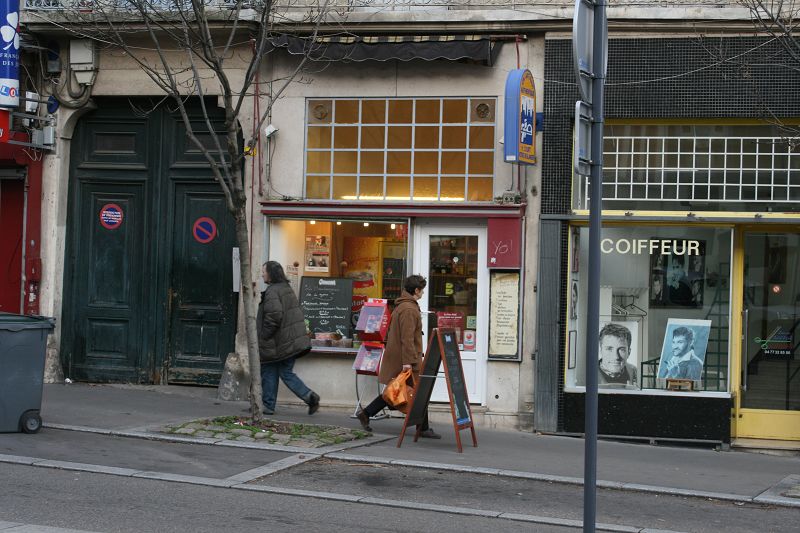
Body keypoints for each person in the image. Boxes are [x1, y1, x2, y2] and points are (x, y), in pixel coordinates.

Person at [356, 275, 441, 439]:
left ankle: (366, 414)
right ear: (416, 290)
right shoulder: (409, 309)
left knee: (399, 392)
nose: (423, 293)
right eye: (421, 290)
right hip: (407, 359)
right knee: (410, 392)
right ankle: (423, 428)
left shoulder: (403, 306)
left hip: (402, 357)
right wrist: (408, 362)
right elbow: (407, 338)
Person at [258, 261, 319, 416]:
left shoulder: (272, 291)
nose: (261, 274)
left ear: (270, 274)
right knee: (284, 372)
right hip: (288, 341)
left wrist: (264, 336)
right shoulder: (286, 288)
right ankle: (309, 396)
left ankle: (269, 405)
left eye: (263, 271)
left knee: (269, 370)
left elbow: (274, 317)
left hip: (277, 342)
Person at [597, 323, 638, 387]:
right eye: (609, 349)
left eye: (621, 349)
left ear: (629, 352)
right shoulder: (586, 374)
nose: (615, 356)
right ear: (600, 350)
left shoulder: (634, 372)